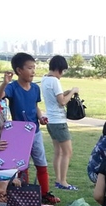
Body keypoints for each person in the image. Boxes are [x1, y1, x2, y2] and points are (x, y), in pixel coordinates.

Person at [0, 52, 57, 204]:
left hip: (35, 131)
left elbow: (35, 106)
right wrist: (4, 82)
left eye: (34, 68)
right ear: (19, 70)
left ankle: (44, 193)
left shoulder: (36, 88)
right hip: (19, 134)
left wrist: (40, 117)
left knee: (41, 163)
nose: (33, 71)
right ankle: (25, 191)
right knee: (22, 164)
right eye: (29, 68)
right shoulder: (12, 87)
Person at [41, 55, 79, 191]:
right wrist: (73, 91)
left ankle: (58, 180)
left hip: (51, 120)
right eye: (62, 71)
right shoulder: (55, 81)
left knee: (58, 152)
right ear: (59, 69)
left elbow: (57, 96)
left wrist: (66, 93)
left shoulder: (44, 79)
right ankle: (63, 182)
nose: (62, 74)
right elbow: (62, 101)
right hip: (59, 121)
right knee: (67, 152)